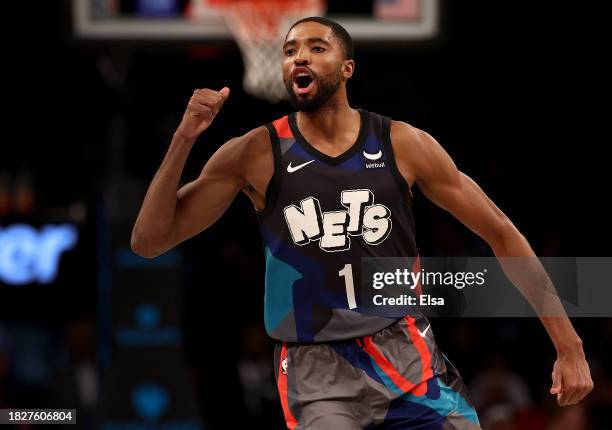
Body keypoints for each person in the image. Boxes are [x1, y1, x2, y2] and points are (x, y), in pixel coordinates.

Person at [131, 16, 593, 429]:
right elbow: (149, 241)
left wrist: (568, 345)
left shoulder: (402, 143)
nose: (298, 57)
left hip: (406, 353)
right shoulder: (255, 152)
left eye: (315, 47)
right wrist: (183, 138)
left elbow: (501, 233)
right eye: (290, 51)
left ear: (347, 67)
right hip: (316, 369)